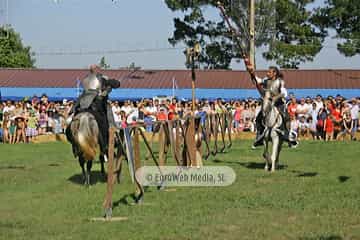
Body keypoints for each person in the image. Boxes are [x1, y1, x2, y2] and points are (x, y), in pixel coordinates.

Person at [66, 64, 121, 157]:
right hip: (97, 104)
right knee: (108, 119)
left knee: (72, 120)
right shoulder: (102, 78)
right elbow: (114, 85)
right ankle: (109, 141)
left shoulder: (85, 79)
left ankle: (73, 143)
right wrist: (113, 84)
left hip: (82, 104)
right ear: (96, 69)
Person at [245, 63, 298, 148]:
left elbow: (284, 92)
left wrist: (276, 97)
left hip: (279, 104)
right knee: (258, 119)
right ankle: (259, 137)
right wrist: (251, 73)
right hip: (268, 104)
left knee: (286, 117)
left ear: (274, 73)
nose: (267, 73)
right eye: (267, 72)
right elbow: (256, 81)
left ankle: (288, 137)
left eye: (269, 72)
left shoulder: (280, 81)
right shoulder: (266, 80)